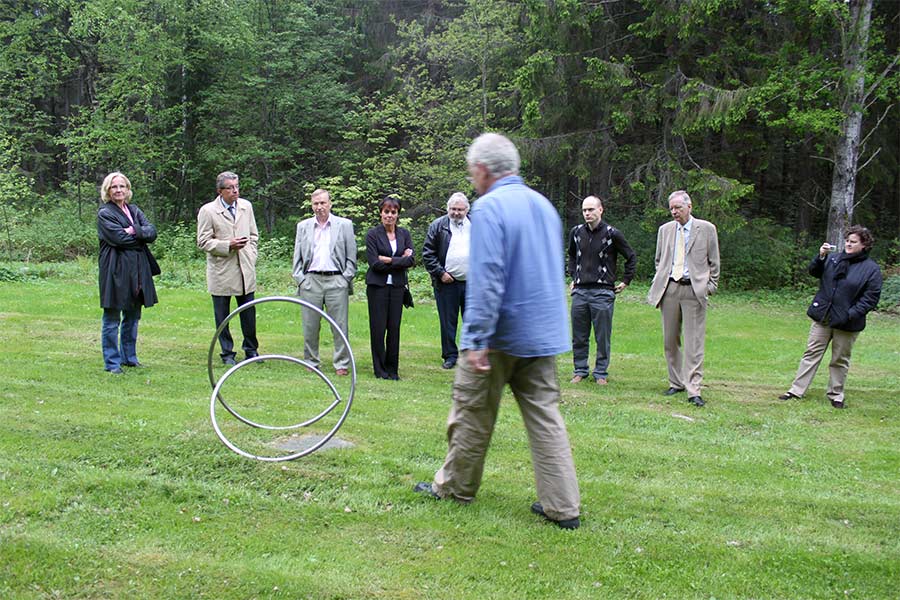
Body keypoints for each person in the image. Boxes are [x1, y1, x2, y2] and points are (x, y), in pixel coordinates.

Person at [414, 132, 581, 530]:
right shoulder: (543, 206)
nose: (472, 181)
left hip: (501, 335)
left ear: (484, 170)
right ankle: (563, 507)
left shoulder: (489, 209)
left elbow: (488, 277)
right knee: (545, 418)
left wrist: (476, 338)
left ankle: (455, 488)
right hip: (542, 334)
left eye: (473, 173)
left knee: (471, 412)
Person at [778, 226, 882, 409]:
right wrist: (821, 257)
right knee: (811, 354)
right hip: (823, 318)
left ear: (864, 245)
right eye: (847, 241)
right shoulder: (833, 258)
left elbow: (871, 298)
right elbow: (814, 272)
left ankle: (836, 394)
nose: (849, 244)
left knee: (840, 359)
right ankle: (796, 390)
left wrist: (850, 315)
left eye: (853, 242)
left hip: (848, 323)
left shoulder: (871, 269)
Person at [647, 190, 720, 407]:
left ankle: (694, 389)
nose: (674, 212)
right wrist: (662, 279)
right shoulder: (665, 230)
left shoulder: (706, 229)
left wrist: (710, 286)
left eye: (678, 207)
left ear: (690, 206)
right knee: (670, 340)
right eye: (671, 208)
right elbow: (659, 259)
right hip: (669, 289)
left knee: (693, 342)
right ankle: (676, 382)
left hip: (694, 291)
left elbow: (714, 262)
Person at [567, 195, 636, 385]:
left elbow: (630, 256)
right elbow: (572, 256)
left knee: (602, 336)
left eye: (591, 209)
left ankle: (601, 373)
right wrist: (573, 276)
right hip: (580, 292)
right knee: (579, 335)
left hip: (603, 292)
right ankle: (580, 370)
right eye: (584, 210)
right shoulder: (576, 232)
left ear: (600, 210)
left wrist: (626, 280)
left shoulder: (613, 234)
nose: (587, 213)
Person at [97, 172, 159, 374]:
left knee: (133, 316)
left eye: (122, 186)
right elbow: (119, 239)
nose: (118, 190)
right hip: (115, 271)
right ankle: (112, 363)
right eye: (114, 187)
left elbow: (152, 232)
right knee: (112, 317)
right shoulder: (105, 213)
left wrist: (134, 231)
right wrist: (138, 233)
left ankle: (129, 358)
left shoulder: (134, 209)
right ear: (107, 190)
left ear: (128, 189)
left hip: (138, 271)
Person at [291, 188, 357, 376]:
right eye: (316, 203)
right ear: (312, 205)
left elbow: (351, 256)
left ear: (330, 204)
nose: (319, 207)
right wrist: (300, 279)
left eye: (323, 203)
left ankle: (342, 363)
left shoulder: (344, 225)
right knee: (310, 325)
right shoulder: (303, 226)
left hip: (337, 280)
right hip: (310, 280)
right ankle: (311, 361)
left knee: (340, 325)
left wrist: (345, 278)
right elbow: (297, 256)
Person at [197, 171, 260, 366]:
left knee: (248, 313)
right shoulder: (208, 211)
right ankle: (227, 353)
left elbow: (253, 235)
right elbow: (203, 242)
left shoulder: (246, 207)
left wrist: (251, 254)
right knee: (222, 316)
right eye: (230, 188)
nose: (235, 191)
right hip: (222, 270)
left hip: (245, 269)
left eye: (237, 187)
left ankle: (251, 350)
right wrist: (227, 245)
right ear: (220, 190)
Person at [365, 196, 415, 380]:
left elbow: (411, 260)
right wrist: (400, 260)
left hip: (397, 288)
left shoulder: (404, 234)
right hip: (377, 287)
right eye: (386, 211)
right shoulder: (372, 234)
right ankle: (380, 370)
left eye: (393, 212)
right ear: (381, 213)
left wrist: (389, 259)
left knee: (394, 328)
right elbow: (374, 263)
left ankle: (392, 370)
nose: (389, 215)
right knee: (378, 329)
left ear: (398, 214)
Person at [422, 192, 471, 369]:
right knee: (448, 322)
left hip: (472, 283)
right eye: (453, 209)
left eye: (460, 209)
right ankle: (450, 356)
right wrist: (440, 273)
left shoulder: (477, 225)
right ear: (447, 208)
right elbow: (428, 253)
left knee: (472, 321)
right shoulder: (438, 226)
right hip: (446, 282)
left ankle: (470, 355)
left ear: (467, 209)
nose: (456, 212)